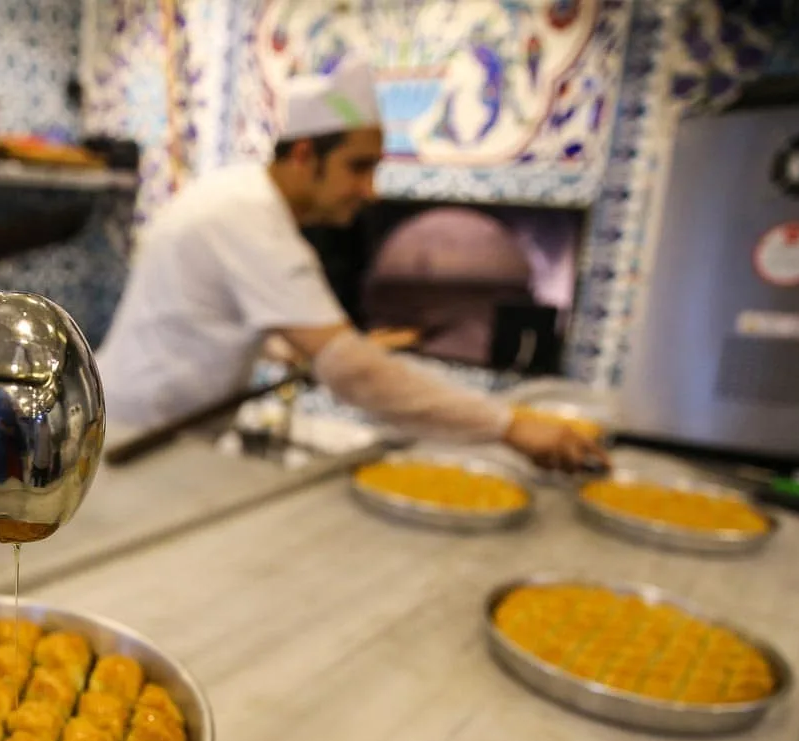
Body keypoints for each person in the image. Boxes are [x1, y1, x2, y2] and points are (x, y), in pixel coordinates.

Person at [95, 53, 609, 472]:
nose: (369, 190)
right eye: (357, 167)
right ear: (302, 156)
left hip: (152, 435)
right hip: (134, 442)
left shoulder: (236, 195)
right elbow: (351, 373)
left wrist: (296, 346)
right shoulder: (248, 217)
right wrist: (509, 425)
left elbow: (207, 316)